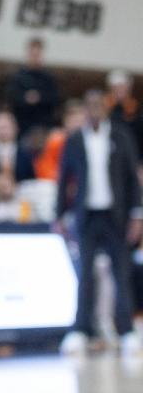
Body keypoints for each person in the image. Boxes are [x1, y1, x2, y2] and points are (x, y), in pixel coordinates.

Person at [58, 90, 142, 357]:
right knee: (85, 275)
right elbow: (64, 180)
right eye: (89, 105)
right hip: (87, 216)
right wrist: (59, 215)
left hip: (115, 216)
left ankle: (126, 330)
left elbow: (132, 179)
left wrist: (137, 215)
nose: (94, 110)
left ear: (105, 109)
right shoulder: (74, 140)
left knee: (121, 273)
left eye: (98, 105)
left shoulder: (121, 137)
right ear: (84, 109)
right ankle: (81, 330)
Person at [6, 37, 60, 136]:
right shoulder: (18, 77)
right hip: (22, 127)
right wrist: (26, 98)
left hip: (43, 128)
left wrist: (39, 98)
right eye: (32, 54)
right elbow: (12, 98)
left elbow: (54, 99)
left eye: (37, 54)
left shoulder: (48, 79)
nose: (35, 57)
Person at [106, 70, 143, 162]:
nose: (120, 90)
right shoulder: (105, 107)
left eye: (123, 87)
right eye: (117, 87)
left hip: (133, 155)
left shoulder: (135, 109)